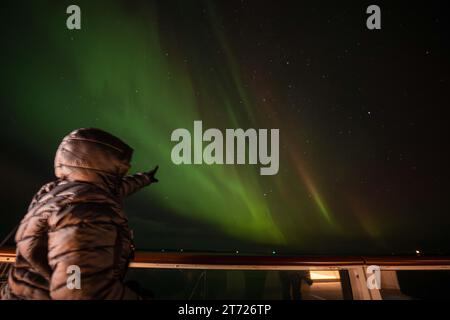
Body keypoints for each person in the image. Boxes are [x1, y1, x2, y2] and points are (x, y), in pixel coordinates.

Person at [0, 128, 158, 299]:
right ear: (103, 167)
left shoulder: (57, 193)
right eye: (118, 168)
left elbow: (115, 188)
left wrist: (144, 178)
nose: (126, 169)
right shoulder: (84, 213)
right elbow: (76, 290)